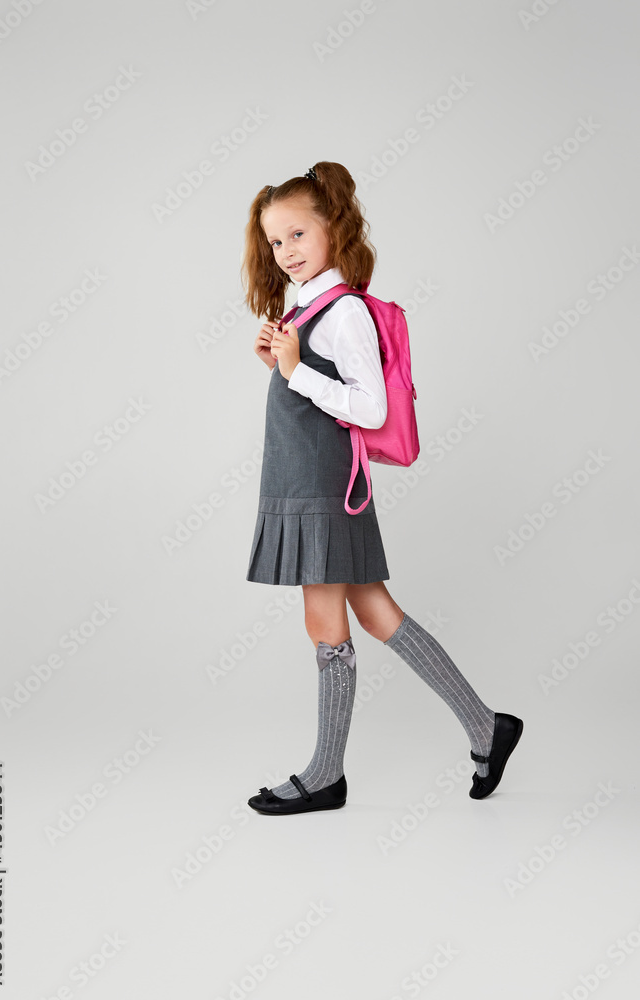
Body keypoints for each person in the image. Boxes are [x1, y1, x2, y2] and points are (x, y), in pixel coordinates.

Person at [240, 161, 523, 815]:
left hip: (323, 488)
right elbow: (313, 392)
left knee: (324, 620)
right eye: (275, 241)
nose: (285, 253)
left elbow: (370, 411)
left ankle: (324, 777)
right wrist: (279, 365)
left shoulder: (344, 314)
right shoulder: (308, 308)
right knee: (374, 613)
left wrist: (295, 371)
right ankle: (487, 728)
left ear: (333, 228)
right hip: (310, 482)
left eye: (297, 235)